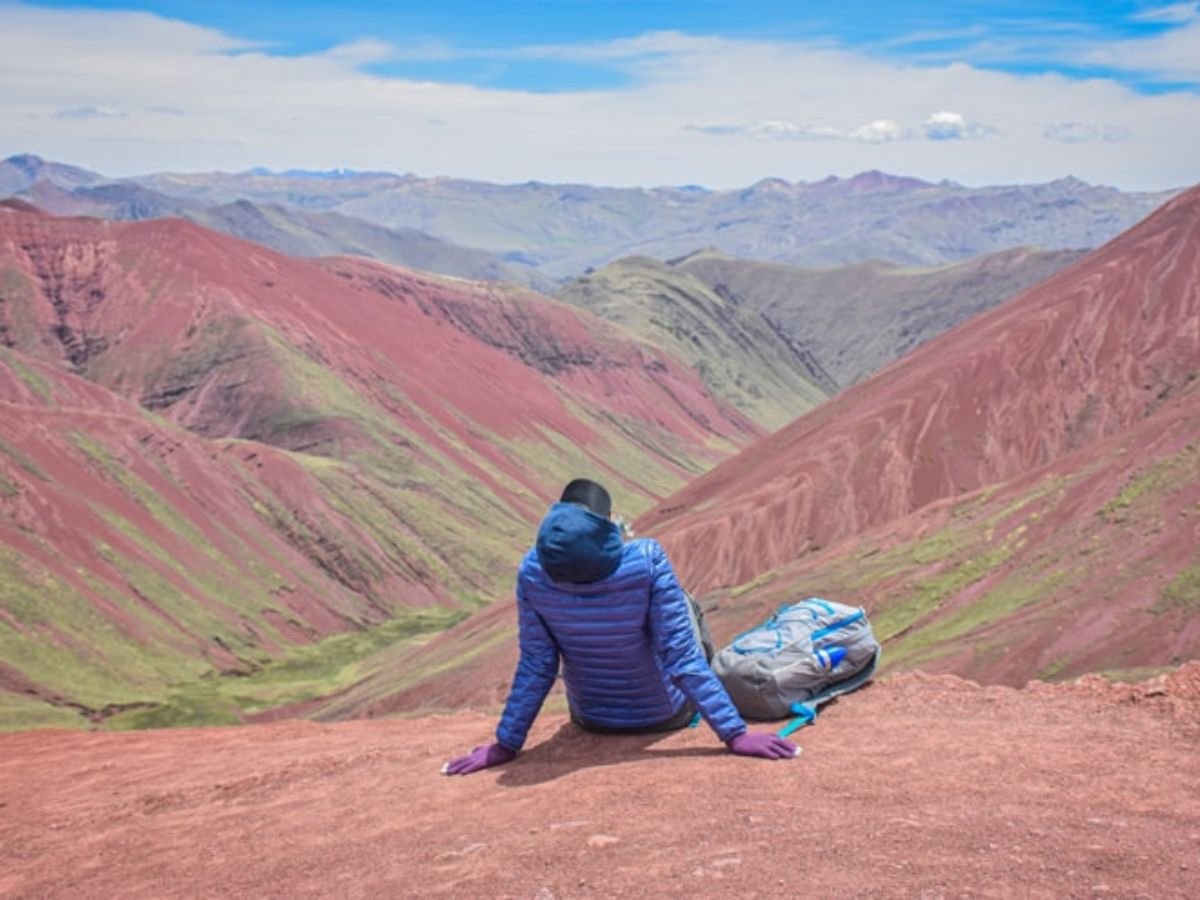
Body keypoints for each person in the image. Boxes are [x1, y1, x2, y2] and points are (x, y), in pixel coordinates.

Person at [443, 478, 798, 775]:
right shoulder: (646, 560)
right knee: (683, 602)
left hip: (591, 717)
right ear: (605, 526)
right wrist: (735, 734)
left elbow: (538, 664)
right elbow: (681, 657)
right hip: (665, 714)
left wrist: (506, 744)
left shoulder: (533, 572)